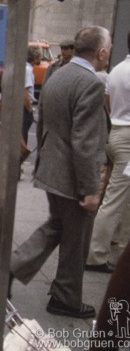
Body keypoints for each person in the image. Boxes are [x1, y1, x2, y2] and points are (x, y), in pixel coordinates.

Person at [10, 26, 111, 319]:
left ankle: (12, 268)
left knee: (58, 226)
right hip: (73, 176)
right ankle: (66, 297)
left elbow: (44, 125)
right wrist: (90, 188)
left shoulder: (59, 74)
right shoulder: (89, 83)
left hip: (54, 169)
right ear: (101, 52)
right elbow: (85, 141)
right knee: (76, 238)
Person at [86, 30, 130, 273]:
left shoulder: (118, 69)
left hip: (116, 133)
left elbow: (108, 101)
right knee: (115, 199)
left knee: (121, 198)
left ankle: (118, 250)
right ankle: (96, 255)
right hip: (128, 141)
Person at [22, 45, 42, 145]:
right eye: (40, 56)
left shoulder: (25, 68)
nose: (41, 58)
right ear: (35, 57)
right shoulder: (28, 70)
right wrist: (29, 109)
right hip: (25, 109)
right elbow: (25, 91)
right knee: (23, 134)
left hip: (24, 108)